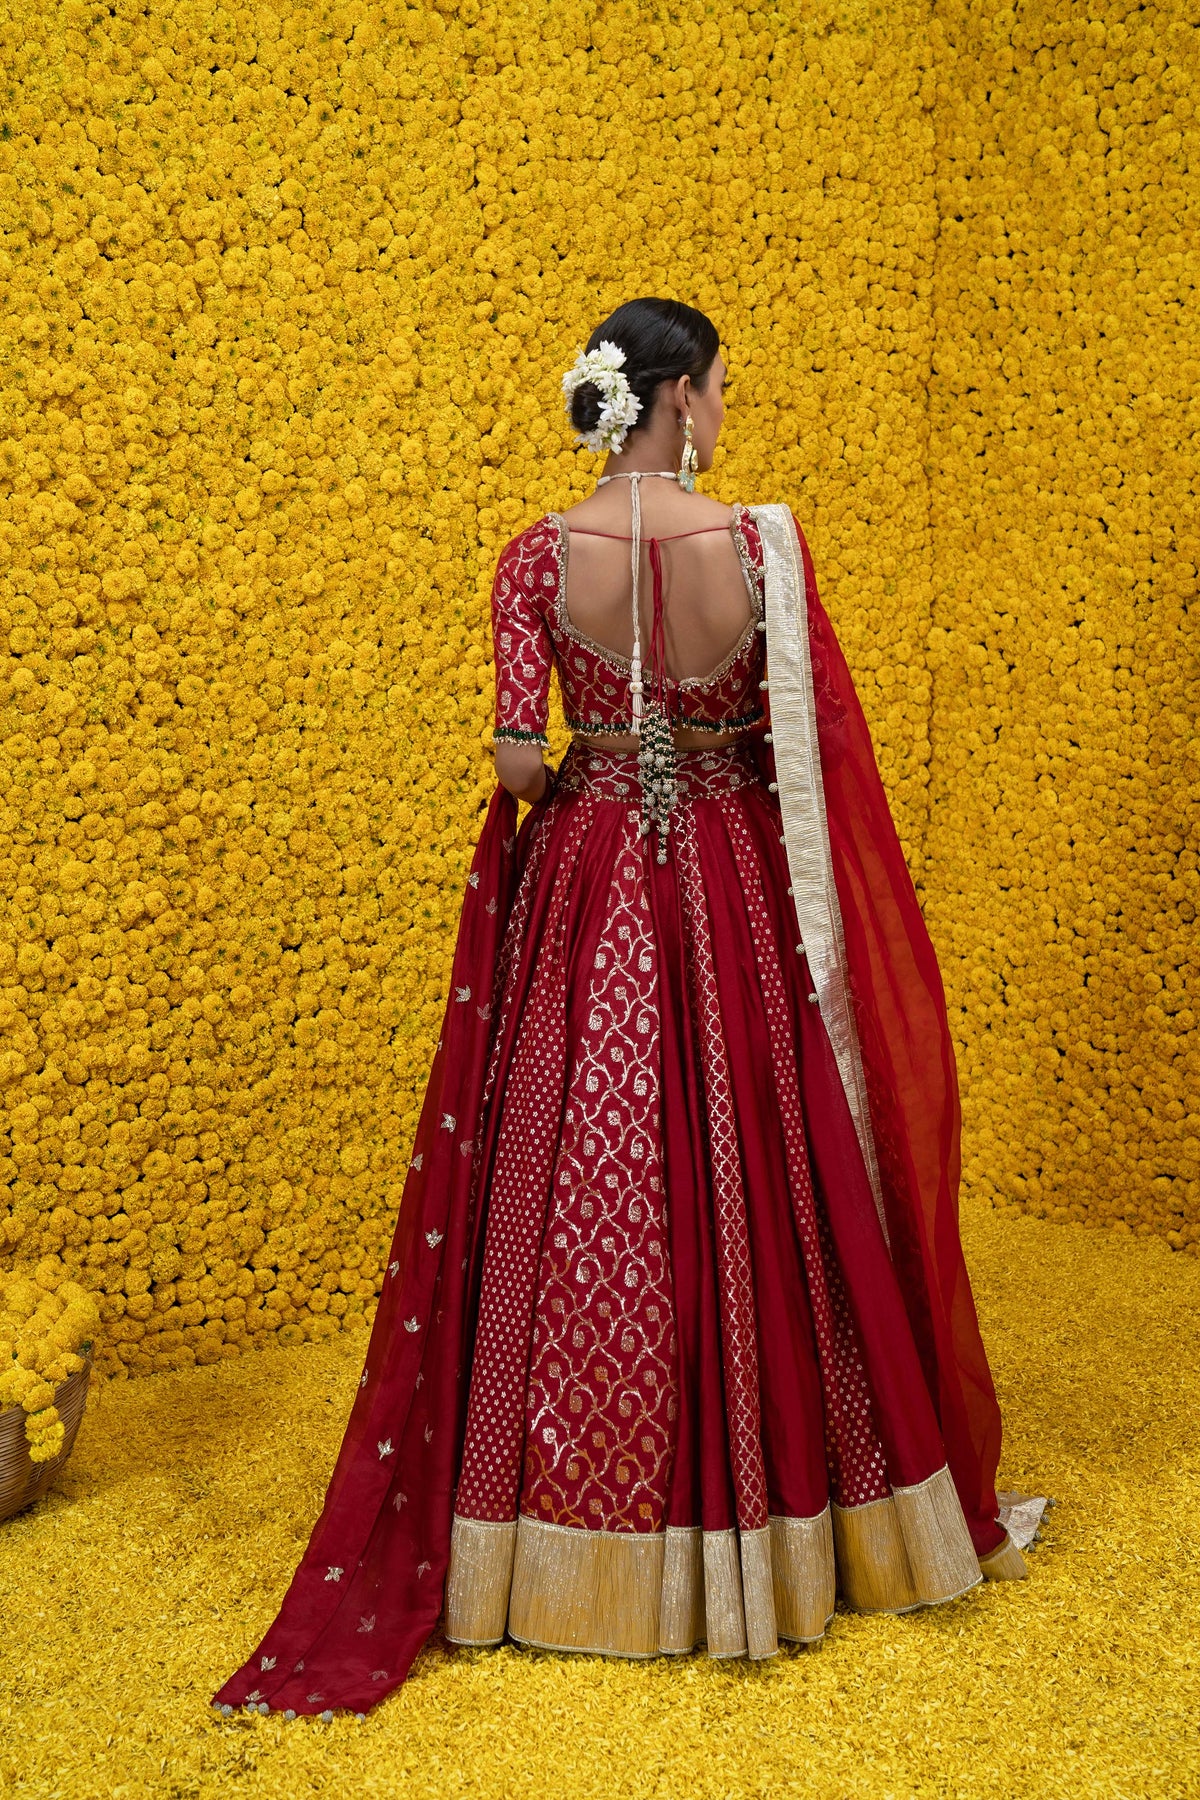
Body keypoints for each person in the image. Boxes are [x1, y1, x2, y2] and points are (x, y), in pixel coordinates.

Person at [214, 298, 1039, 1723]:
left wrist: (592, 769)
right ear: (676, 399)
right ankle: (794, 1532)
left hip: (588, 877)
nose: (723, 410)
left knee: (568, 1168)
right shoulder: (757, 551)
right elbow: (802, 750)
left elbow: (515, 761)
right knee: (758, 1157)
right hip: (730, 872)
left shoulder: (538, 554)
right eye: (718, 388)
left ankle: (532, 1551)